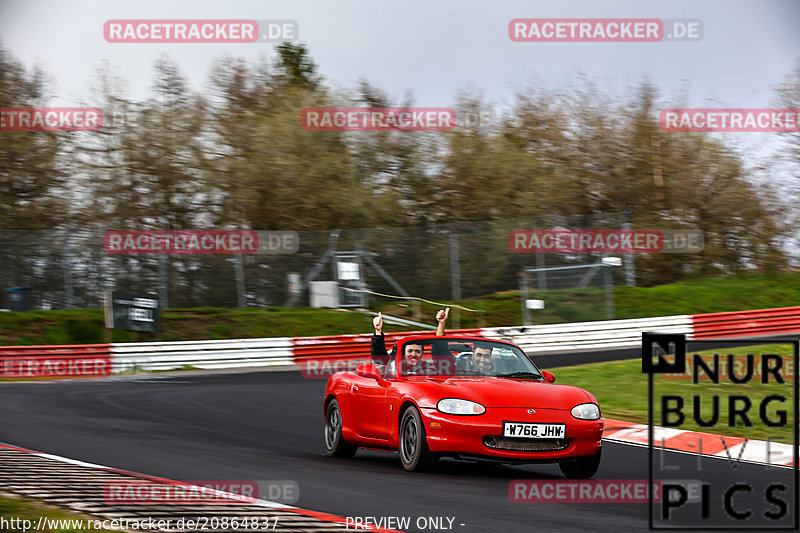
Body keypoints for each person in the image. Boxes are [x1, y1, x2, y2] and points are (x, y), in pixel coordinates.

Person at [370, 308, 449, 376]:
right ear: (403, 353)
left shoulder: (429, 369)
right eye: (410, 351)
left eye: (417, 351)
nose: (414, 355)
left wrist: (441, 323)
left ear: (422, 354)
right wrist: (378, 331)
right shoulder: (393, 366)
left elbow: (440, 350)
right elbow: (379, 357)